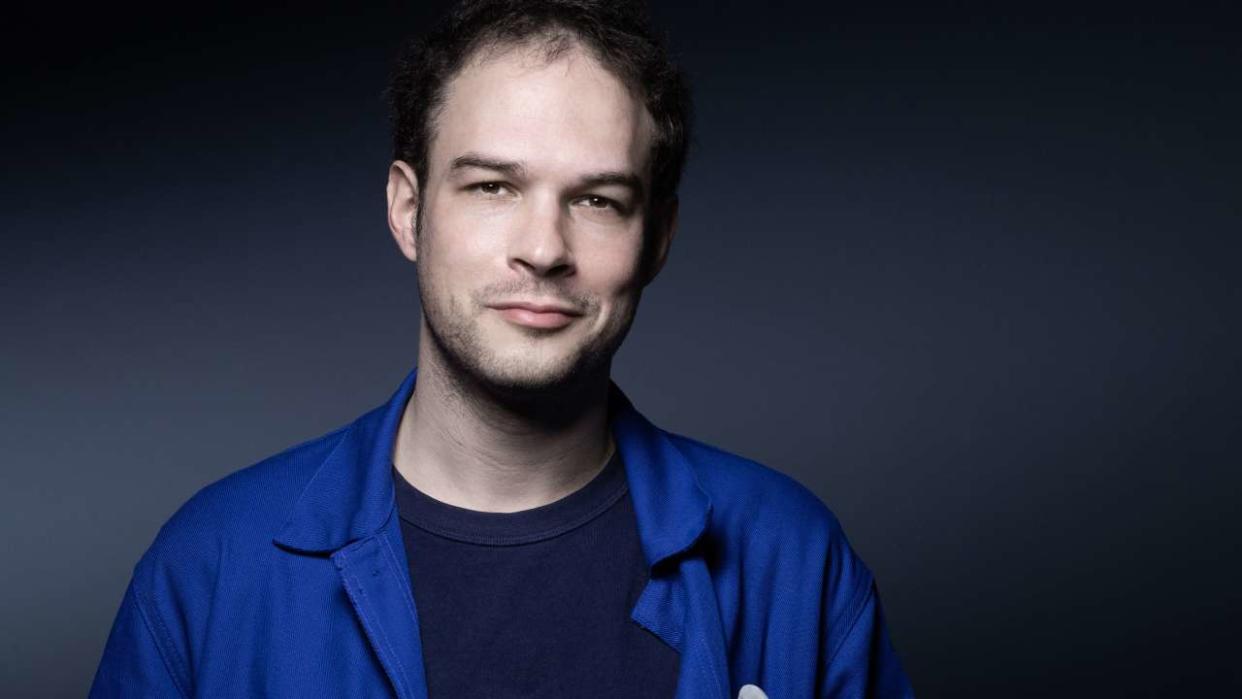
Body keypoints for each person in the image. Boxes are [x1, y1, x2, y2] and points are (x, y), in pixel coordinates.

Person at [90, 1, 914, 697]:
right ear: (409, 211)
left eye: (597, 198)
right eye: (493, 186)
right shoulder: (210, 567)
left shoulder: (794, 560)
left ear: (657, 238)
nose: (543, 247)